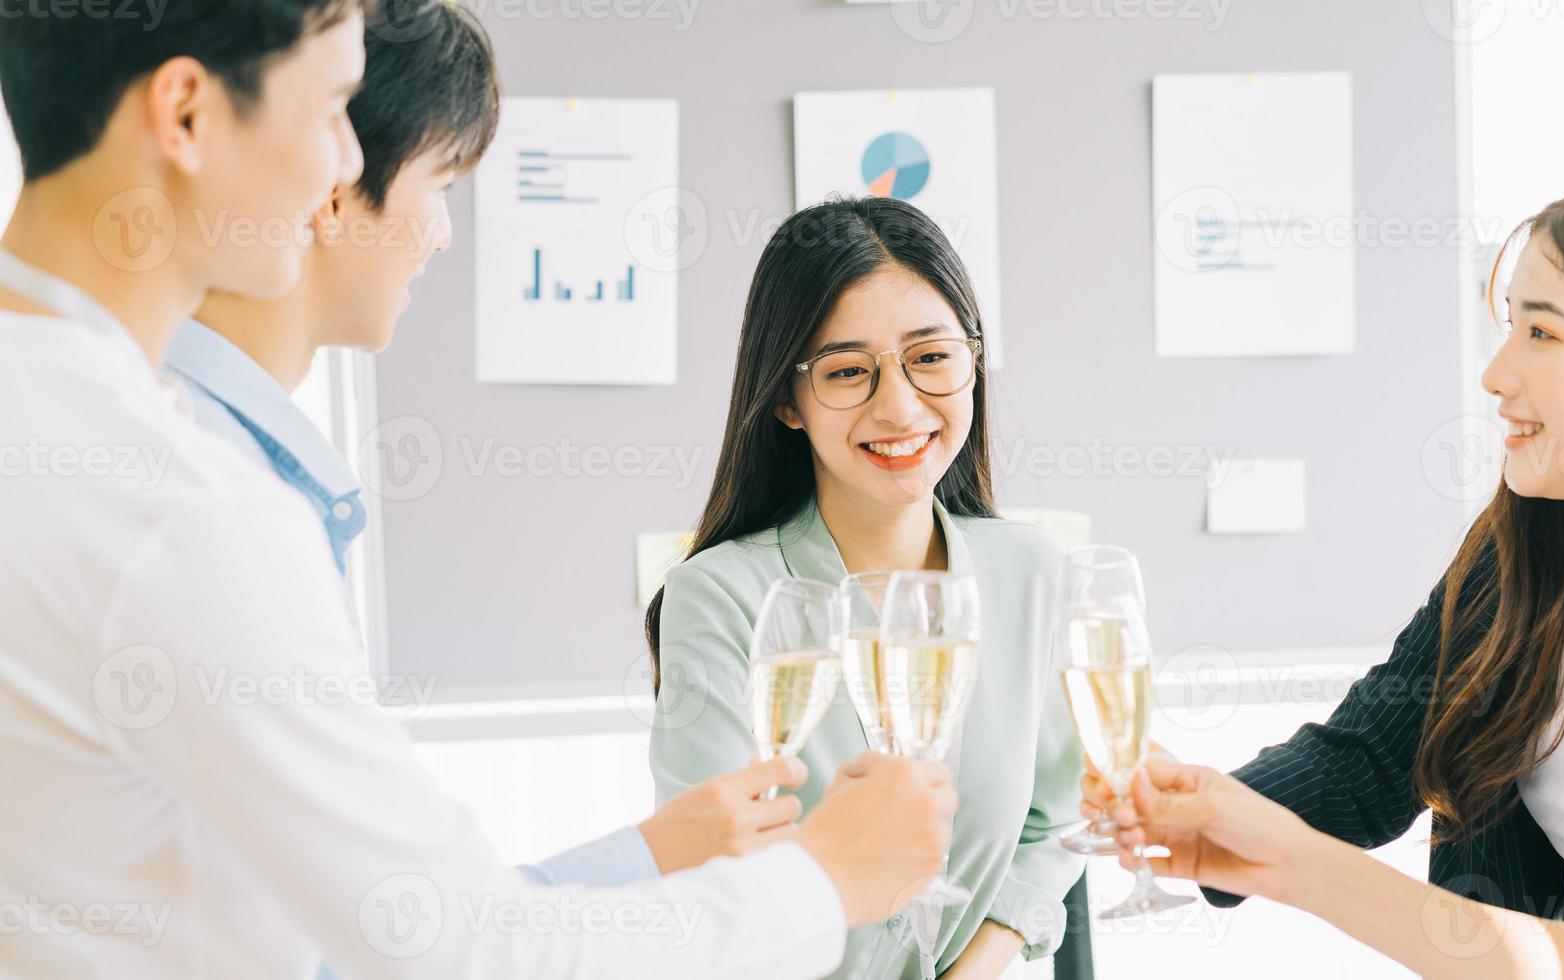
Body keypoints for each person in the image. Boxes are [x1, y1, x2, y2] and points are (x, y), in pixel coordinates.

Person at [0, 6, 954, 977]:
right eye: (332, 106)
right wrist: (828, 877)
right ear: (188, 114)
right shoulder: (187, 515)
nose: (341, 162)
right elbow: (463, 949)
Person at [1087, 49, 1564, 980]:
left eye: (1543, 332)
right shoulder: (1526, 559)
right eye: (1508, 324)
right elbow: (1366, 759)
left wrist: (1281, 859)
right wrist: (1194, 804)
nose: (1495, 372)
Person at [166, 0, 802, 904]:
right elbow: (380, 930)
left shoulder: (227, 455)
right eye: (443, 185)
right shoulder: (215, 490)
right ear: (335, 183)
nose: (444, 232)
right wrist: (666, 855)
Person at [647, 196, 1085, 979]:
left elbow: (1052, 824)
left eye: (932, 356)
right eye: (849, 371)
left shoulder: (1033, 573)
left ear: (973, 363)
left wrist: (974, 968)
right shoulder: (720, 597)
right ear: (787, 399)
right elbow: (711, 892)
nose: (901, 405)